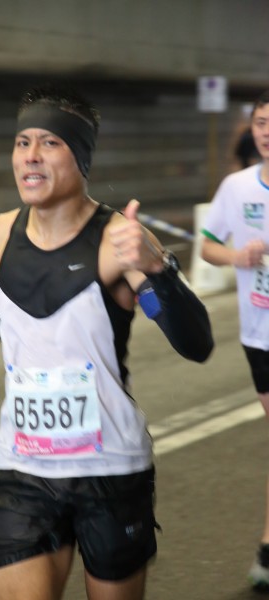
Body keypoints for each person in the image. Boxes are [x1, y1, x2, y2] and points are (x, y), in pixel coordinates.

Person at [0, 83, 213, 600]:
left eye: (49, 142)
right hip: (23, 466)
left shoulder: (119, 241)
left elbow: (197, 343)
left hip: (110, 468)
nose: (30, 155)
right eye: (22, 142)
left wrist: (157, 270)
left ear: (81, 157)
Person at [200, 89, 269, 590]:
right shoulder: (236, 187)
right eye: (262, 123)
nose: (268, 133)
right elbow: (207, 246)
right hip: (259, 335)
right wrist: (236, 257)